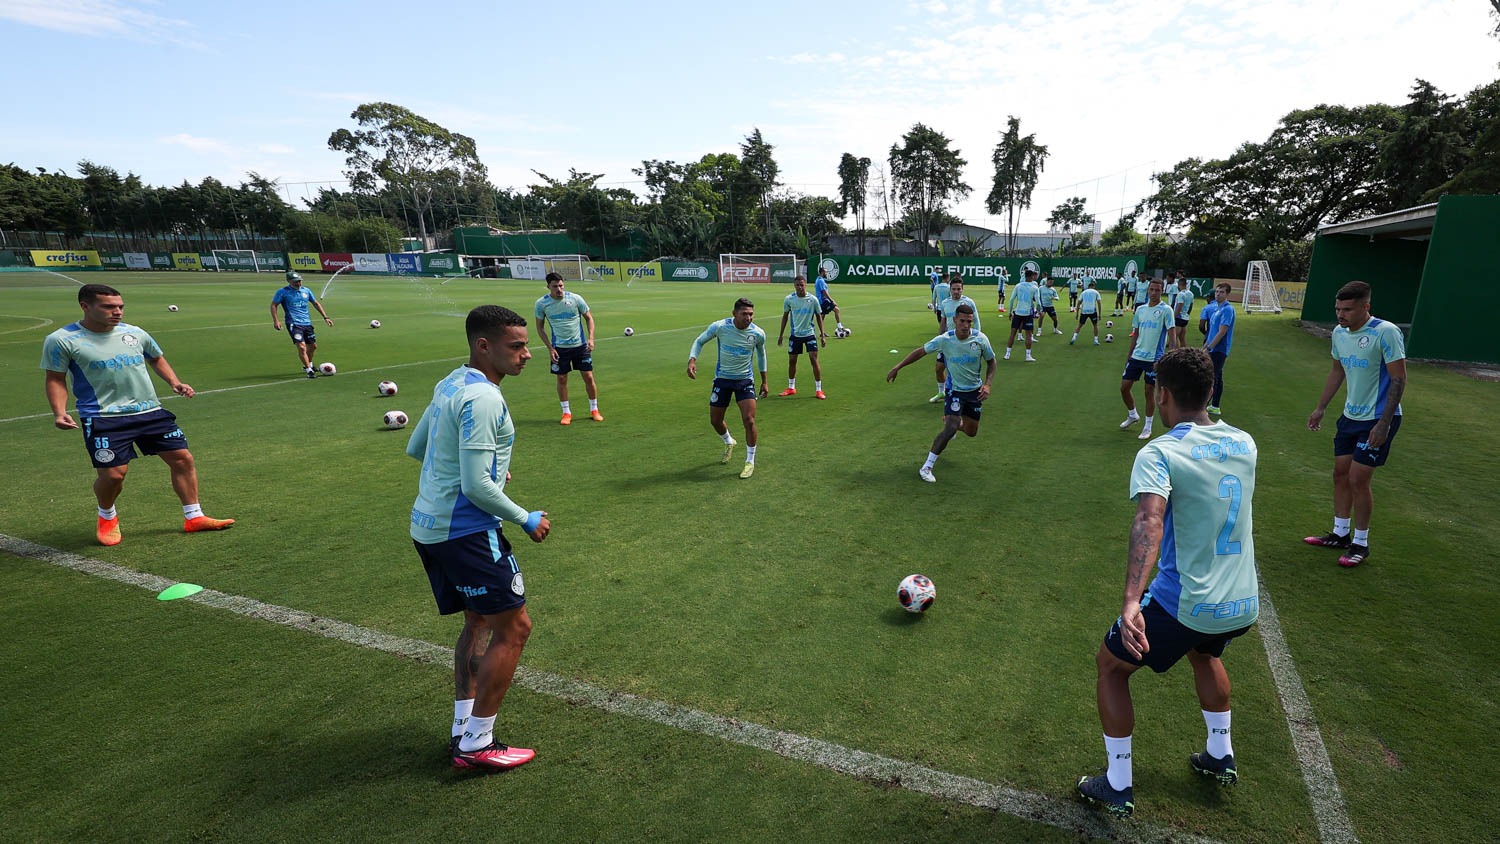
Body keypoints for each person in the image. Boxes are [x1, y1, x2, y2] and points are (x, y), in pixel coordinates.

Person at [1075, 347, 1259, 818]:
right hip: (1241, 602)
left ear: (1161, 395)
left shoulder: (1160, 451)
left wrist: (1132, 600)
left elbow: (1149, 520)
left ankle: (1117, 785)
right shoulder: (1244, 442)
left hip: (1187, 601)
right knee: (1205, 651)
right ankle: (1220, 755)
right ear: (1212, 391)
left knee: (1111, 666)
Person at [406, 304, 550, 772]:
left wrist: (483, 466)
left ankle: (463, 727)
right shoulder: (486, 398)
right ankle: (477, 745)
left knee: (478, 622)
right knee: (515, 627)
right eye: (517, 346)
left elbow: (416, 447)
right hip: (466, 531)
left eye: (526, 344)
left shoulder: (451, 381)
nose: (527, 354)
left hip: (427, 527)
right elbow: (474, 487)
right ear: (483, 346)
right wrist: (525, 518)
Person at [41, 283, 234, 546]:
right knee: (113, 475)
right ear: (85, 306)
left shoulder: (134, 332)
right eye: (108, 307)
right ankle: (107, 516)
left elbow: (155, 357)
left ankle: (194, 516)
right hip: (103, 417)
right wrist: (59, 412)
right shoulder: (62, 340)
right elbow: (55, 378)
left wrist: (174, 382)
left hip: (150, 411)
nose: (117, 312)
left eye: (120, 306)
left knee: (182, 459)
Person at [1303, 281, 1406, 569]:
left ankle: (1360, 543)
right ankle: (1339, 533)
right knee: (1340, 474)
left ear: (1366, 307)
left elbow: (1398, 379)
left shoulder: (1385, 332)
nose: (1341, 315)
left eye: (1347, 309)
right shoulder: (1338, 333)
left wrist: (1384, 424)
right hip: (1350, 417)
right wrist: (1321, 407)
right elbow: (1337, 371)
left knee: (1359, 479)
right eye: (1337, 309)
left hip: (1378, 418)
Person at [886, 304, 996, 483]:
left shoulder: (981, 339)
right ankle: (927, 467)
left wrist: (988, 384)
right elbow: (920, 351)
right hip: (954, 391)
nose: (966, 325)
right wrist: (898, 366)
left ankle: (955, 422)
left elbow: (992, 362)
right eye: (962, 321)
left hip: (974, 392)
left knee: (971, 432)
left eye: (969, 321)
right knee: (950, 429)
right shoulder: (945, 340)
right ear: (955, 320)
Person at [688, 298, 768, 479]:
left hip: (744, 381)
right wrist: (692, 360)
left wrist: (764, 380)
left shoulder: (757, 333)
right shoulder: (720, 327)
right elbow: (699, 341)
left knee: (749, 420)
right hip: (722, 379)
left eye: (751, 314)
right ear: (734, 314)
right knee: (715, 421)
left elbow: (761, 355)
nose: (749, 318)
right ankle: (729, 441)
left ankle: (750, 461)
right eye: (744, 314)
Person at [533, 272, 602, 425]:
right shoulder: (541, 304)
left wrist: (590, 339)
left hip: (580, 346)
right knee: (562, 378)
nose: (559, 289)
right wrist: (550, 348)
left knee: (588, 377)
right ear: (548, 287)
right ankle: (566, 413)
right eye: (555, 286)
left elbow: (589, 318)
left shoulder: (575, 299)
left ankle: (594, 409)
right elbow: (539, 327)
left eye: (561, 285)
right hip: (559, 348)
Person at [1118, 279, 1174, 440]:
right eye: (1152, 290)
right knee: (1124, 387)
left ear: (1161, 291)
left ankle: (1147, 426)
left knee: (1149, 392)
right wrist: (1129, 355)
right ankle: (1133, 415)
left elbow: (1172, 334)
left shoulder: (1166, 310)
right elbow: (1135, 334)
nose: (1154, 293)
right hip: (1137, 356)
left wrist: (1170, 356)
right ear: (1148, 291)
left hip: (1154, 359)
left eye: (1157, 290)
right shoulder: (1140, 310)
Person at [270, 271, 334, 378]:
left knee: (313, 347)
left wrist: (325, 317)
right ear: (289, 281)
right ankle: (309, 370)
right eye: (295, 282)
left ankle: (309, 364)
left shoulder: (306, 291)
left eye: (299, 281)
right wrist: (276, 320)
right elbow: (274, 305)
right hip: (293, 324)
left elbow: (316, 303)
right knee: (301, 347)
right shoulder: (282, 292)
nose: (298, 283)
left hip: (307, 323)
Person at [930, 277, 982, 402]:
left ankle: (967, 394)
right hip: (948, 342)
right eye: (954, 289)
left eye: (959, 289)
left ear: (962, 289)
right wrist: (939, 339)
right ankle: (941, 392)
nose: (956, 292)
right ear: (950, 289)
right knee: (938, 368)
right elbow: (943, 323)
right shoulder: (945, 303)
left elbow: (976, 320)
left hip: (964, 342)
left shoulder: (969, 302)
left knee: (960, 370)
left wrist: (978, 337)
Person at [776, 275, 827, 399]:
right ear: (794, 286)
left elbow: (819, 317)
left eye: (802, 285)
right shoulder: (789, 299)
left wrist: (822, 334)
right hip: (795, 335)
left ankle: (819, 390)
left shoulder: (813, 299)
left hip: (809, 334)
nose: (799, 287)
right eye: (797, 285)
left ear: (805, 285)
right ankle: (791, 387)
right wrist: (781, 334)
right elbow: (785, 317)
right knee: (792, 361)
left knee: (813, 360)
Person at [1202, 283, 1235, 415]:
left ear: (1227, 294)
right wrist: (1205, 346)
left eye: (1221, 292)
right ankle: (1215, 406)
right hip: (1212, 347)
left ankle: (1204, 406)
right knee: (1218, 377)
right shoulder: (1217, 308)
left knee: (1212, 377)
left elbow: (1222, 332)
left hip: (1219, 349)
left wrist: (1209, 347)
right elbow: (1212, 331)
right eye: (1217, 292)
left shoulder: (1227, 309)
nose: (1218, 294)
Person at [1004, 269, 1040, 362]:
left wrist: (1010, 312)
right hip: (1027, 313)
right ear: (1032, 276)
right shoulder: (1035, 287)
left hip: (1017, 312)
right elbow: (1038, 302)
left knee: (1012, 333)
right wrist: (1038, 311)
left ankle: (1007, 354)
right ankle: (1028, 355)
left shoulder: (1018, 286)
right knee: (1028, 334)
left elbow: (1012, 300)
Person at [814, 267, 848, 335]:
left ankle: (822, 332)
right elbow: (824, 292)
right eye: (826, 272)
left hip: (821, 301)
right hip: (823, 301)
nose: (827, 273)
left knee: (822, 317)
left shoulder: (818, 279)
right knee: (836, 310)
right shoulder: (820, 281)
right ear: (822, 272)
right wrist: (831, 300)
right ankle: (839, 327)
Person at [1071, 280, 1104, 345]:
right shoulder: (1096, 292)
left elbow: (1078, 303)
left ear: (1088, 287)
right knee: (1095, 326)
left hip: (1084, 311)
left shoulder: (1083, 292)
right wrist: (1100, 314)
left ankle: (1073, 338)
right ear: (1093, 286)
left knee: (1079, 325)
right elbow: (1099, 303)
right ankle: (1096, 340)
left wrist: (1077, 313)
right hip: (1092, 311)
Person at [1170, 272, 1195, 350]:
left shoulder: (1181, 294)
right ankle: (1184, 353)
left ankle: (1177, 352)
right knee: (1182, 337)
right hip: (1185, 318)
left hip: (1179, 317)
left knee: (1175, 336)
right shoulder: (1191, 294)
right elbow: (1191, 306)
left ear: (1180, 285)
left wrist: (1173, 317)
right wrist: (1187, 314)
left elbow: (1179, 306)